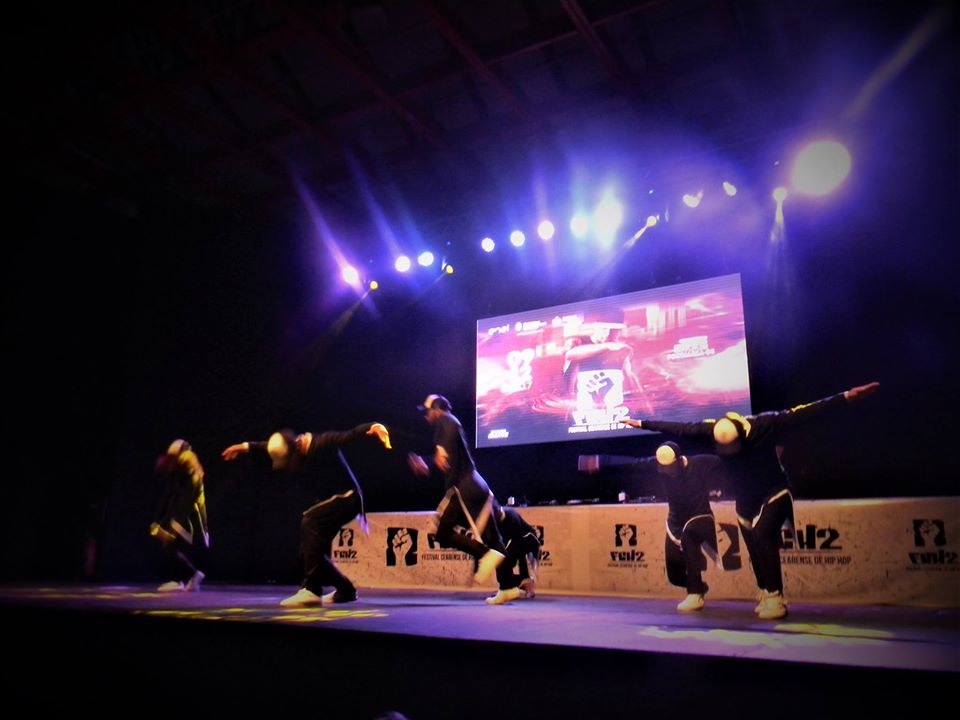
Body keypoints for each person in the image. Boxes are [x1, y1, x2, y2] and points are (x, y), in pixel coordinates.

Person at [621, 381, 879, 619]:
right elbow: (679, 428)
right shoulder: (711, 429)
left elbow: (805, 412)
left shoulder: (765, 424)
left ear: (742, 436)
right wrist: (641, 423)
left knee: (763, 534)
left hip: (774, 491)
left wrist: (846, 396)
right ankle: (765, 591)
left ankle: (776, 598)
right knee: (754, 546)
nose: (728, 453)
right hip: (745, 499)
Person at [222, 422, 391, 607]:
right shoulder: (294, 445)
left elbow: (349, 435)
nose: (290, 466)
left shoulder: (322, 442)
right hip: (333, 499)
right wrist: (245, 447)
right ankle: (345, 589)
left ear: (296, 448)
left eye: (289, 460)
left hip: (348, 497)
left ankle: (312, 590)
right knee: (308, 552)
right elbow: (265, 445)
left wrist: (374, 427)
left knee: (310, 521)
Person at [580, 441, 724, 612]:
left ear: (679, 460)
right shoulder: (657, 465)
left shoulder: (699, 463)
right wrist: (598, 461)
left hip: (700, 516)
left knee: (689, 537)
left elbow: (727, 462)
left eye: (670, 468)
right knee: (674, 575)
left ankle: (695, 594)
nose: (667, 472)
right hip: (676, 522)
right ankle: (698, 585)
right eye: (664, 469)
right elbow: (631, 464)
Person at [407, 394, 514, 602]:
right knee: (493, 538)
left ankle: (484, 554)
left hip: (462, 489)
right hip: (476, 485)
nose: (426, 416)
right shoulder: (451, 424)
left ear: (437, 409)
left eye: (428, 412)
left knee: (442, 533)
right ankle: (508, 586)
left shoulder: (445, 421)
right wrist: (428, 461)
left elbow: (445, 451)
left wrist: (437, 455)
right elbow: (449, 457)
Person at [150, 439, 209, 592]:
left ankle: (183, 579)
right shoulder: (177, 475)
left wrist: (176, 523)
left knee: (169, 547)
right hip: (180, 516)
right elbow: (168, 496)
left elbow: (189, 501)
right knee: (169, 547)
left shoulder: (190, 469)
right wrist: (158, 520)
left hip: (187, 517)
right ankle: (189, 577)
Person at [490, 504, 541, 604]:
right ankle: (505, 588)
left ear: (501, 511)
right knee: (500, 561)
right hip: (516, 541)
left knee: (507, 560)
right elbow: (501, 542)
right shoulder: (496, 521)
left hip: (529, 539)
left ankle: (527, 583)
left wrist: (525, 575)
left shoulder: (512, 518)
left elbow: (520, 549)